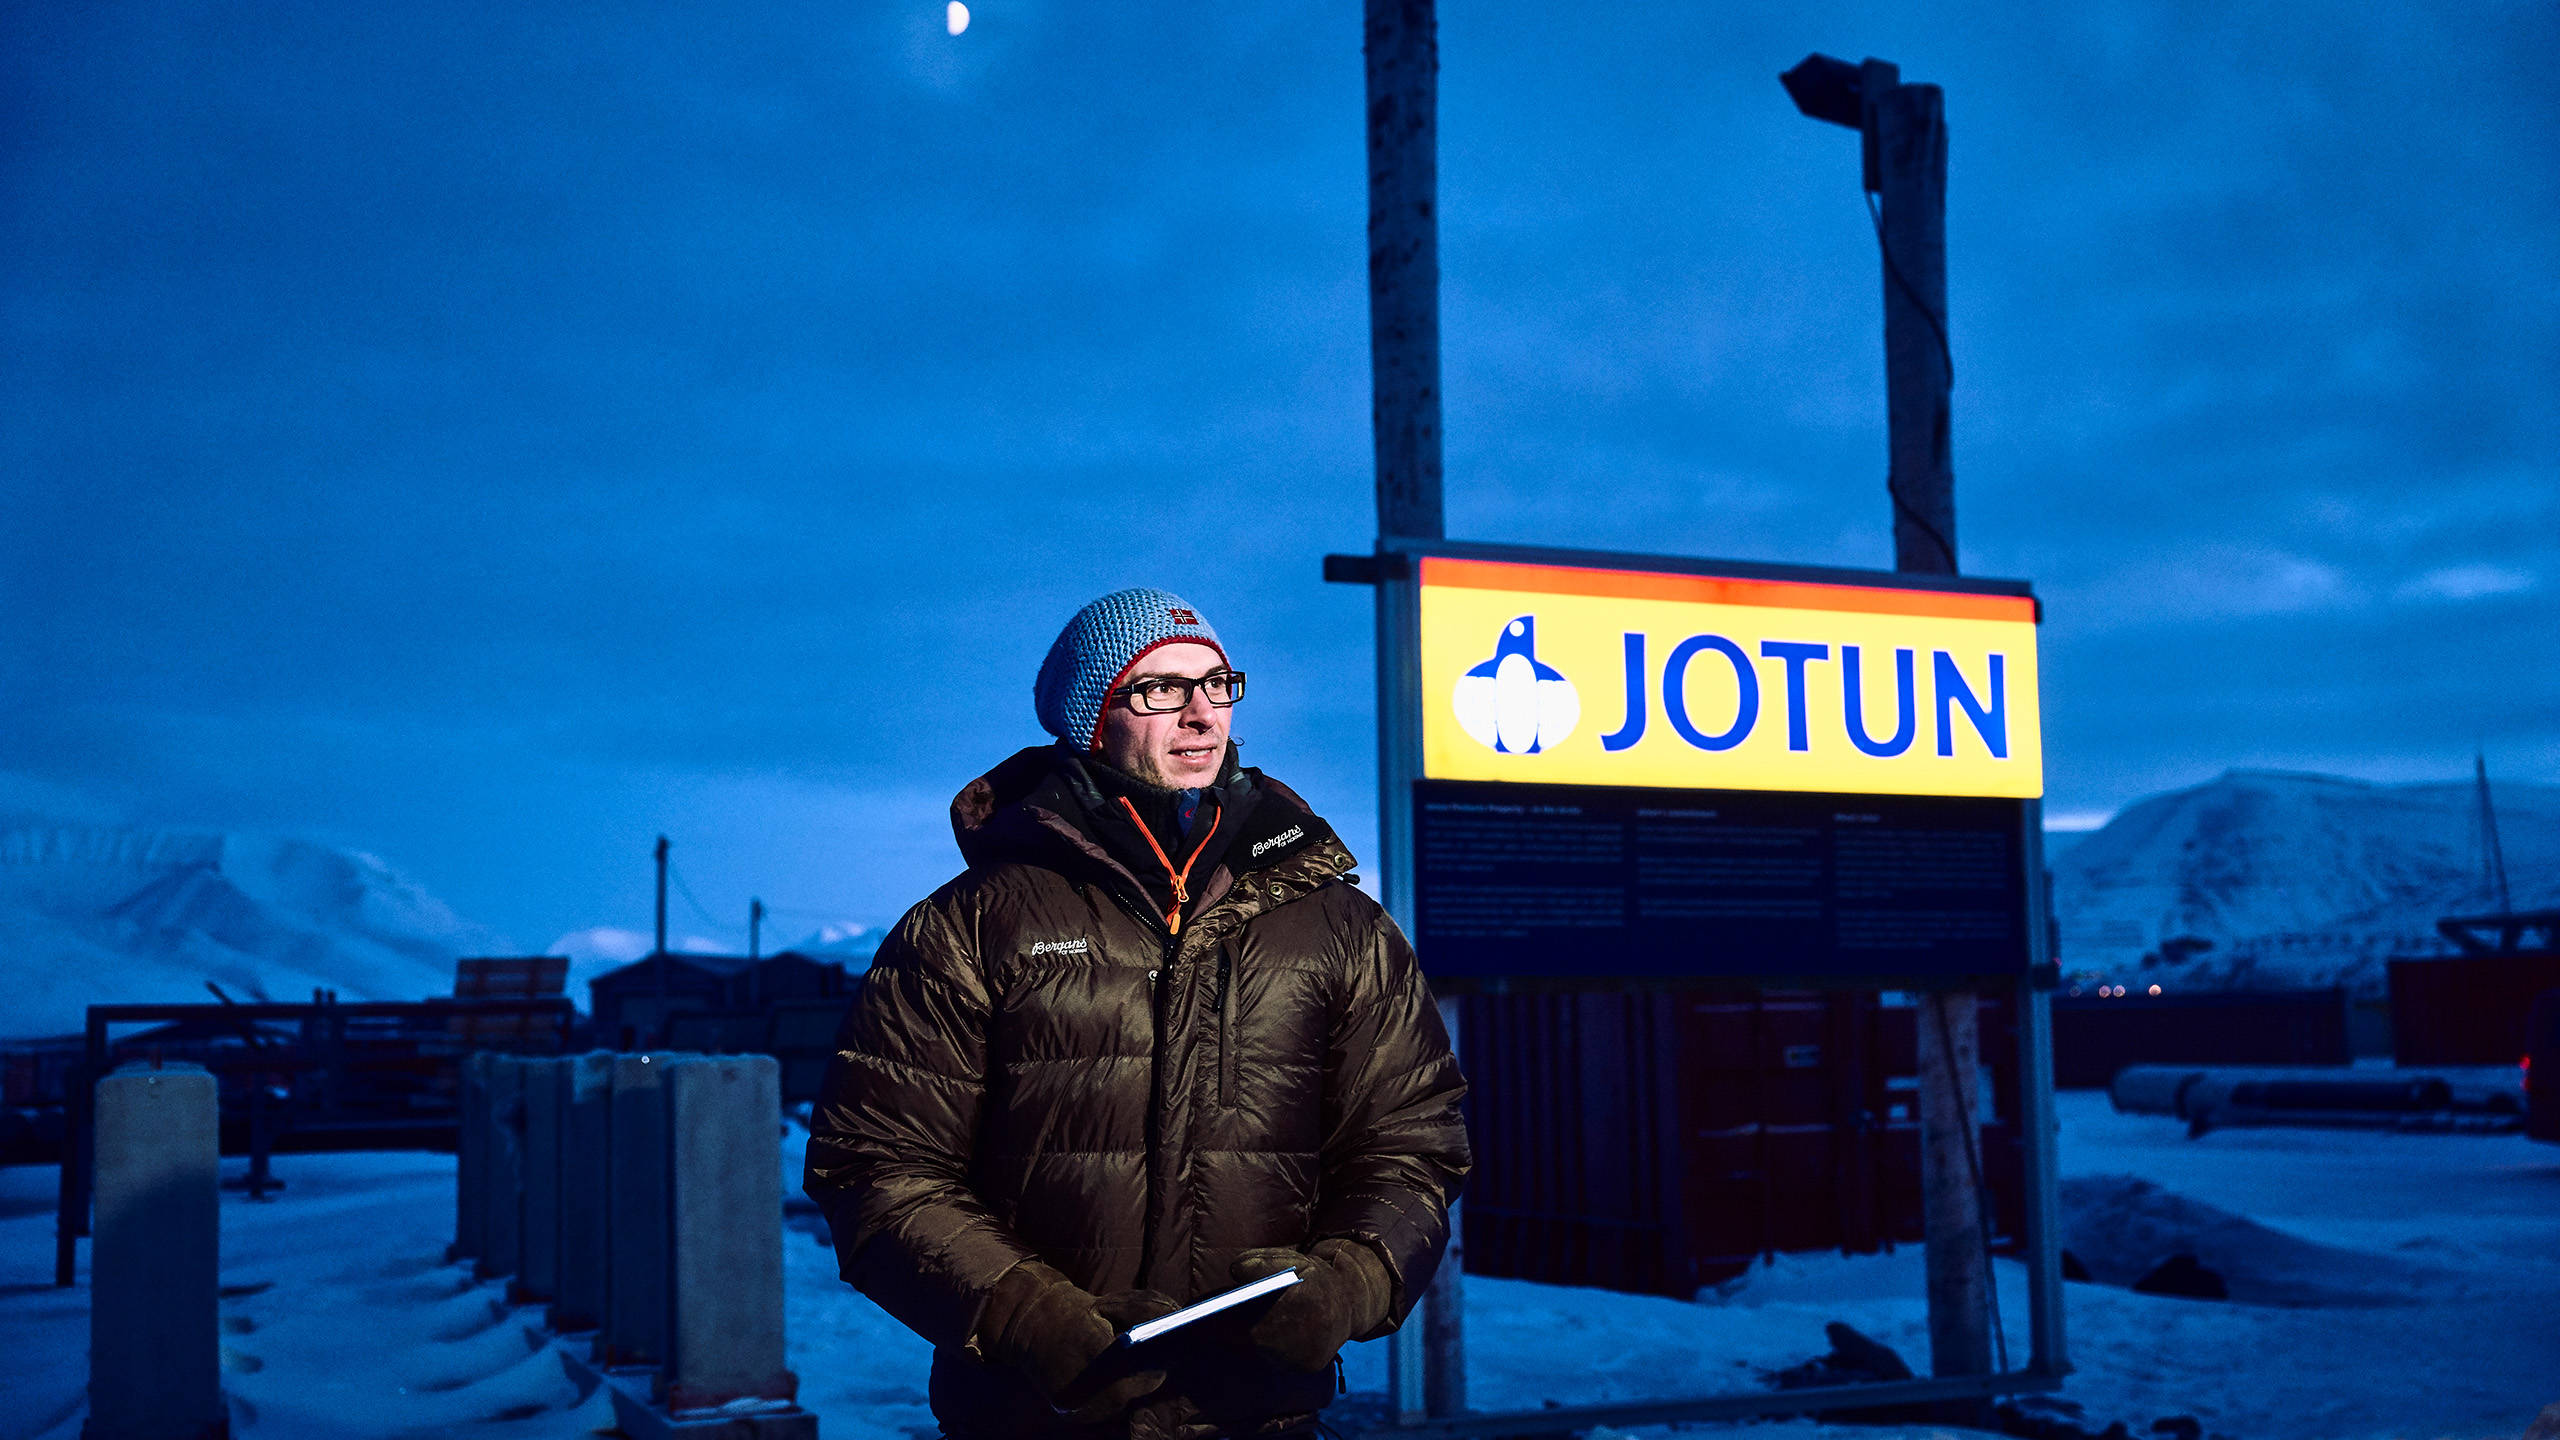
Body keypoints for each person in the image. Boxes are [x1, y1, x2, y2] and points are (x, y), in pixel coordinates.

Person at [805, 587, 1470, 1440]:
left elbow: (1412, 1147)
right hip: (1036, 1416)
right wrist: (1025, 1315)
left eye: (1217, 684)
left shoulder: (1339, 926)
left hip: (1258, 1415)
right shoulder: (972, 925)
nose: (1200, 713)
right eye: (1158, 689)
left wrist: (1351, 1283)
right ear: (1091, 720)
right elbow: (876, 1167)